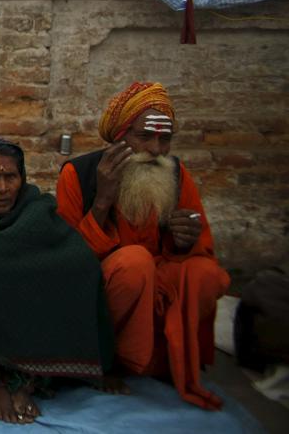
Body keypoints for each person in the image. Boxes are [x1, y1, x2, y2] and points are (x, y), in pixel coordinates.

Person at [57, 81, 231, 410]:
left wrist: (184, 243)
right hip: (107, 290)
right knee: (135, 263)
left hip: (159, 281)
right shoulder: (77, 174)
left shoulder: (177, 174)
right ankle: (110, 362)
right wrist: (102, 202)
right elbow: (68, 261)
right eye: (145, 137)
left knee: (207, 274)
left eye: (165, 139)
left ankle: (168, 361)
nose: (156, 150)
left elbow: (201, 248)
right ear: (120, 136)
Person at [0, 136, 116, 425]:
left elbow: (72, 250)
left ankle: (28, 379)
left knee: (77, 266)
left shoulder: (34, 205)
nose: (3, 188)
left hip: (19, 293)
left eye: (11, 176)